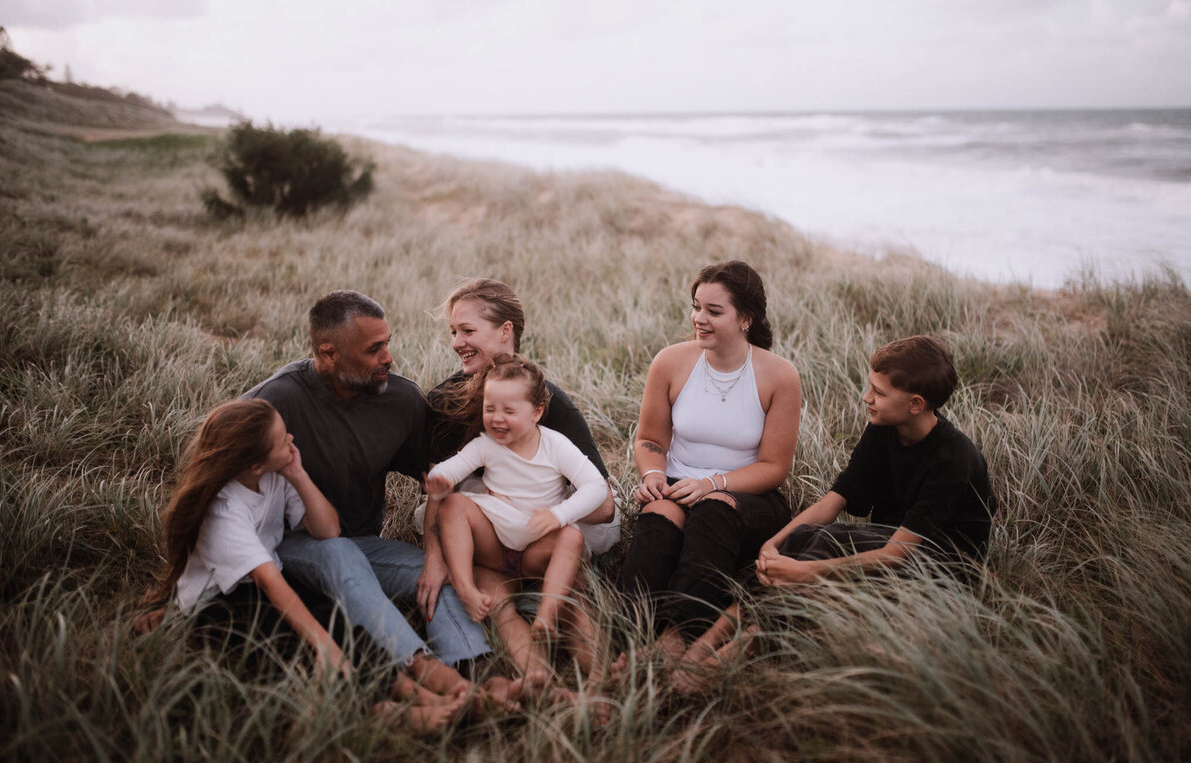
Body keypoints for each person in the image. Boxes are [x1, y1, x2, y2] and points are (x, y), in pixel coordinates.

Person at [670, 334, 998, 693]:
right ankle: (705, 643)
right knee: (800, 537)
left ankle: (745, 646)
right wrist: (773, 544)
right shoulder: (883, 429)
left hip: (945, 568)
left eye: (879, 392)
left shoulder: (952, 458)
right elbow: (832, 503)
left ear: (916, 403)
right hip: (894, 541)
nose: (866, 398)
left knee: (822, 545)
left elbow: (898, 552)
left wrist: (803, 571)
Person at [241, 290, 520, 707]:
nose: (388, 357)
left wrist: (436, 554)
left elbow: (439, 482)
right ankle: (425, 671)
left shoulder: (401, 401)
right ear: (329, 354)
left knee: (435, 576)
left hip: (361, 542)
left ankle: (476, 671)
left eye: (387, 343)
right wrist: (169, 592)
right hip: (282, 545)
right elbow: (208, 490)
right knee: (339, 554)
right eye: (374, 350)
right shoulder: (275, 402)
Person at [143, 398, 465, 732]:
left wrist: (297, 474)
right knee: (297, 646)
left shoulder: (274, 476)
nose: (291, 440)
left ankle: (413, 692)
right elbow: (270, 583)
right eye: (283, 439)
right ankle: (382, 712)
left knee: (339, 622)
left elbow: (329, 530)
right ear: (255, 464)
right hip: (218, 606)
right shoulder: (224, 510)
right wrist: (324, 645)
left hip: (262, 584)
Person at [423, 278, 617, 683]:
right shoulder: (448, 399)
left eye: (468, 331)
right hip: (490, 529)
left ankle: (597, 674)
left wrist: (552, 513)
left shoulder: (549, 406)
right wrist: (435, 558)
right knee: (442, 511)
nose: (457, 342)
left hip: (548, 518)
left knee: (574, 572)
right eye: (453, 332)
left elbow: (602, 505)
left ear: (505, 331)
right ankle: (535, 676)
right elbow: (441, 489)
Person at [615, 260, 802, 669]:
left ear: (746, 318)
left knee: (713, 510)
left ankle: (679, 636)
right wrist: (652, 475)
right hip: (678, 484)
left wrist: (713, 484)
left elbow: (774, 467)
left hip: (748, 497)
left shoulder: (779, 376)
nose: (699, 319)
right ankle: (631, 637)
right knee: (658, 522)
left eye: (714, 311)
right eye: (696, 306)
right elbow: (650, 439)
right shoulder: (670, 362)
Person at [425, 354, 607, 637]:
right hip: (495, 543)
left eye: (509, 411)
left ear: (536, 412)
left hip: (536, 545)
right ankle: (465, 588)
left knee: (572, 537)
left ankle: (546, 617)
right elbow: (453, 467)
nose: (497, 419)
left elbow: (595, 486)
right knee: (453, 504)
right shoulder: (485, 444)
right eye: (490, 409)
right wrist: (441, 480)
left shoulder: (555, 445)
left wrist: (559, 514)